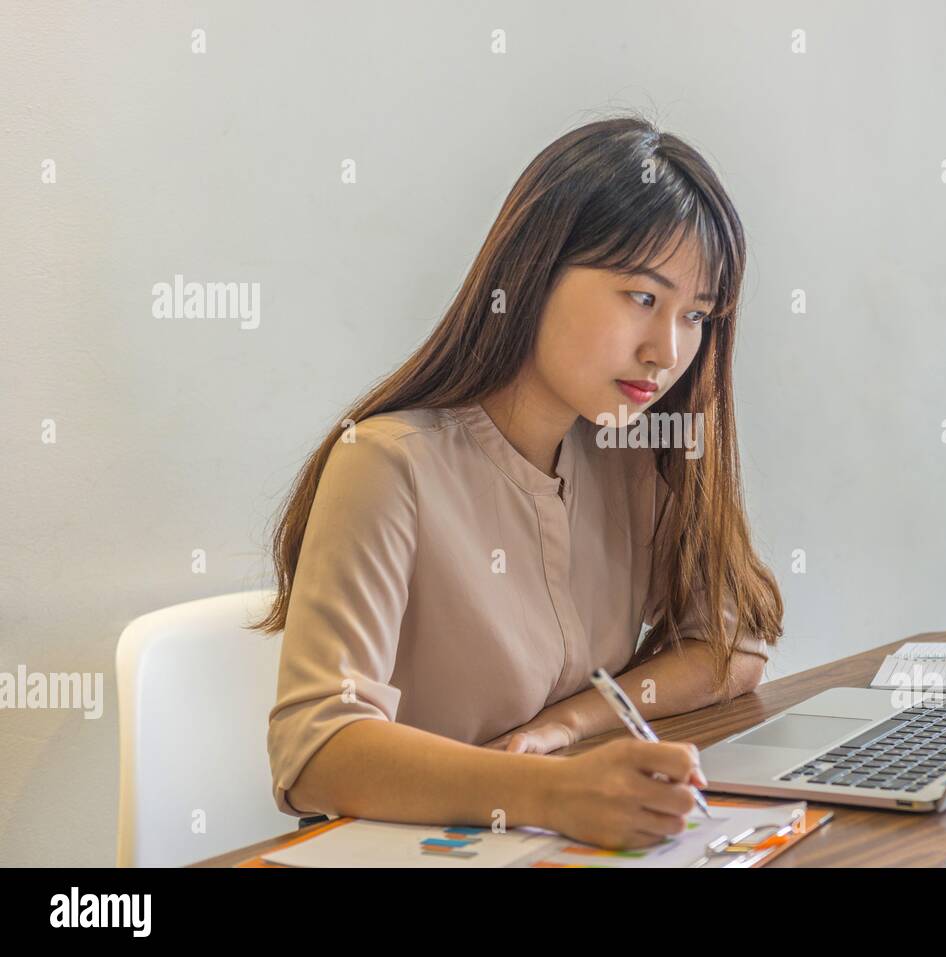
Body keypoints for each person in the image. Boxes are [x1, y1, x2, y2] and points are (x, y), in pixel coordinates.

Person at [250, 113, 784, 850]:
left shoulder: (624, 458)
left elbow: (732, 641)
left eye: (695, 315)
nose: (667, 349)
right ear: (534, 271)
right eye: (642, 297)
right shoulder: (386, 462)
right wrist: (555, 790)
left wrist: (568, 723)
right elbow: (317, 752)